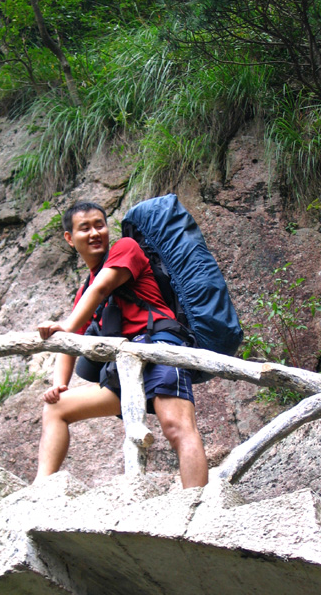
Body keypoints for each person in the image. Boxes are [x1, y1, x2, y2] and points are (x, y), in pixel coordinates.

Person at [36, 201, 208, 489]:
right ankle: (39, 491)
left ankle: (198, 503)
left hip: (159, 348)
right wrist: (59, 385)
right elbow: (70, 340)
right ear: (70, 238)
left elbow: (102, 288)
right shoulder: (85, 290)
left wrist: (66, 325)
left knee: (177, 427)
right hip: (124, 369)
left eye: (99, 225)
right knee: (56, 408)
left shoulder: (126, 248)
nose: (95, 233)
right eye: (84, 228)